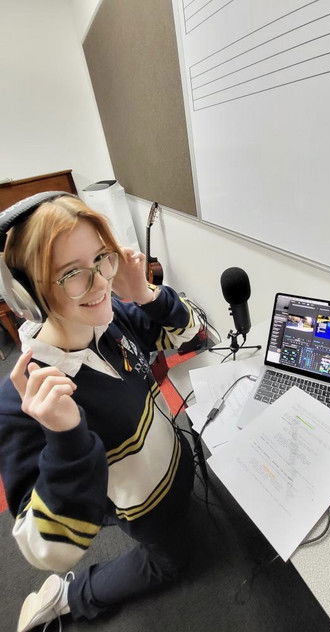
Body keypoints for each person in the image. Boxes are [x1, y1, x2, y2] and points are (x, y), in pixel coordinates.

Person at [0, 194, 201, 631]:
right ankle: (68, 597)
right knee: (171, 562)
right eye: (71, 273)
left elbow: (195, 336)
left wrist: (145, 294)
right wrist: (66, 437)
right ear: (28, 297)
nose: (99, 284)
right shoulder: (24, 399)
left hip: (176, 468)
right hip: (145, 512)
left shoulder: (111, 318)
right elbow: (45, 548)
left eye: (100, 259)